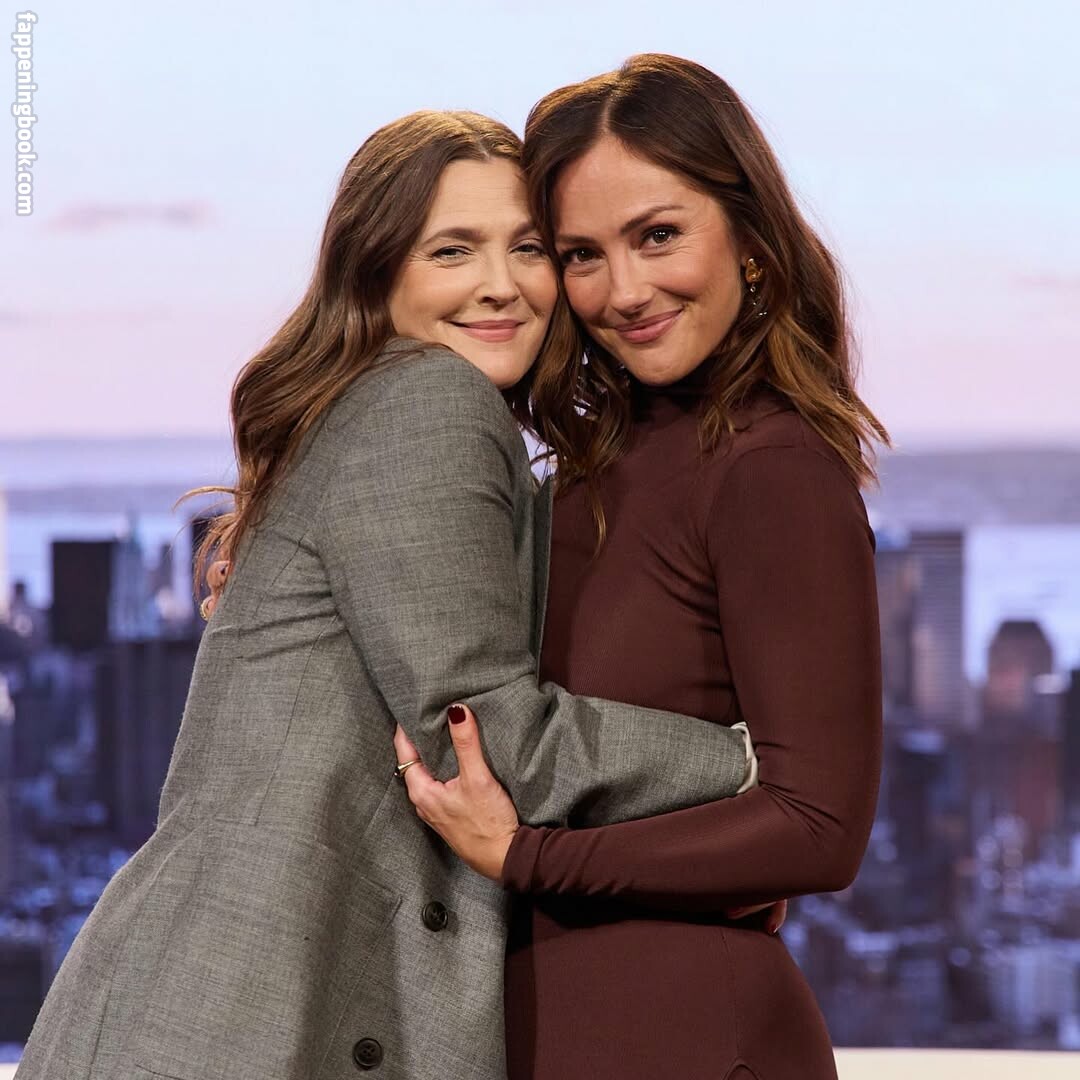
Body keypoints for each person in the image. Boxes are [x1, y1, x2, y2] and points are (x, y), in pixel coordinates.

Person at [14, 111, 758, 1080]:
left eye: (528, 248)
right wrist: (750, 765)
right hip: (248, 1018)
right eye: (452, 250)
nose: (501, 283)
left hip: (225, 1003)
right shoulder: (428, 402)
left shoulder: (371, 407)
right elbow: (487, 733)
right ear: (376, 275)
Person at [397, 55, 889, 1080]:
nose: (624, 291)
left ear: (751, 240)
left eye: (658, 235)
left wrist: (528, 857)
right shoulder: (593, 469)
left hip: (691, 1038)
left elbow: (819, 827)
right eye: (582, 253)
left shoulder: (771, 468)